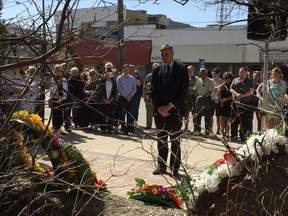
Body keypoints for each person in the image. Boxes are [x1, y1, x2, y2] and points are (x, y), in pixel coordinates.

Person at [150, 44, 188, 177]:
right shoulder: (157, 70)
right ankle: (161, 166)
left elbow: (183, 91)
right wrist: (160, 108)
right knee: (161, 139)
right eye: (162, 55)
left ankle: (175, 167)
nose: (163, 57)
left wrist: (170, 106)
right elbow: (152, 90)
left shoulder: (182, 69)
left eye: (166, 54)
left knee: (175, 140)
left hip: (175, 111)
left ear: (172, 54)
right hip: (160, 112)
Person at [230, 67, 254, 141]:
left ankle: (242, 136)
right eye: (240, 72)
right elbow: (231, 88)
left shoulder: (250, 81)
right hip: (235, 103)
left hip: (245, 104)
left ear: (246, 73)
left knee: (244, 121)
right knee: (234, 120)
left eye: (243, 72)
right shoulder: (235, 80)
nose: (241, 73)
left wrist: (242, 96)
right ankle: (233, 135)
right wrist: (236, 93)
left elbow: (251, 91)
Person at [193, 68, 215, 136]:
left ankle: (207, 132)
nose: (199, 74)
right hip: (198, 99)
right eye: (199, 72)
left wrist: (203, 97)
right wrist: (198, 96)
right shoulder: (198, 80)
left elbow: (210, 91)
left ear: (205, 73)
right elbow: (195, 89)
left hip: (206, 99)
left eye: (201, 72)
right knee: (198, 116)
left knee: (207, 116)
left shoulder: (210, 81)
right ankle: (197, 130)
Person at [116, 64, 137, 134]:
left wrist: (130, 96)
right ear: (122, 70)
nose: (126, 71)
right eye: (125, 70)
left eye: (128, 70)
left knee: (130, 113)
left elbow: (134, 88)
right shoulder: (119, 78)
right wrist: (126, 96)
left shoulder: (132, 78)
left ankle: (130, 128)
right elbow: (119, 89)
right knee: (122, 113)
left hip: (130, 98)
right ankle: (123, 128)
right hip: (122, 98)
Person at [49, 64, 69, 132]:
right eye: (57, 70)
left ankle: (60, 129)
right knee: (55, 113)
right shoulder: (53, 79)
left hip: (62, 98)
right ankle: (55, 128)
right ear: (55, 71)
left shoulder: (64, 79)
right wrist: (59, 97)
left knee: (61, 114)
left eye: (60, 70)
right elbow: (53, 89)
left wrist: (63, 97)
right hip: (55, 98)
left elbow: (66, 89)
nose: (59, 72)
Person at [143, 63, 159, 130]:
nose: (155, 68)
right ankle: (148, 126)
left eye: (156, 67)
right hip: (149, 97)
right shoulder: (148, 76)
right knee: (149, 112)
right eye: (154, 67)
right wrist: (145, 97)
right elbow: (144, 86)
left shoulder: (161, 75)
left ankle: (158, 126)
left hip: (158, 98)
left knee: (158, 113)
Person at [218, 72, 233, 138]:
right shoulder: (222, 85)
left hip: (229, 103)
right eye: (226, 78)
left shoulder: (232, 86)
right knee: (222, 118)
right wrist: (221, 101)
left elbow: (232, 96)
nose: (227, 79)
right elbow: (219, 93)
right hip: (222, 103)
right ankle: (222, 133)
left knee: (228, 119)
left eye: (228, 78)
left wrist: (225, 99)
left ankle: (227, 133)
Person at [184, 65, 198, 132]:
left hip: (194, 97)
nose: (189, 71)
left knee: (194, 114)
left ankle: (195, 129)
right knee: (186, 114)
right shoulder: (184, 78)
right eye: (188, 70)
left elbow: (198, 87)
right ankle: (186, 128)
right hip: (186, 98)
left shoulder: (197, 79)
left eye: (190, 70)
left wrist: (193, 88)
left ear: (193, 71)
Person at [211, 68, 223, 134]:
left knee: (218, 116)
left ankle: (218, 129)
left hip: (217, 100)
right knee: (210, 115)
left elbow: (221, 88)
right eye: (213, 73)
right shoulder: (210, 80)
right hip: (211, 99)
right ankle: (211, 129)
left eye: (216, 73)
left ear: (218, 74)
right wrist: (216, 88)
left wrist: (216, 88)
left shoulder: (221, 81)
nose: (214, 74)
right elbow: (209, 88)